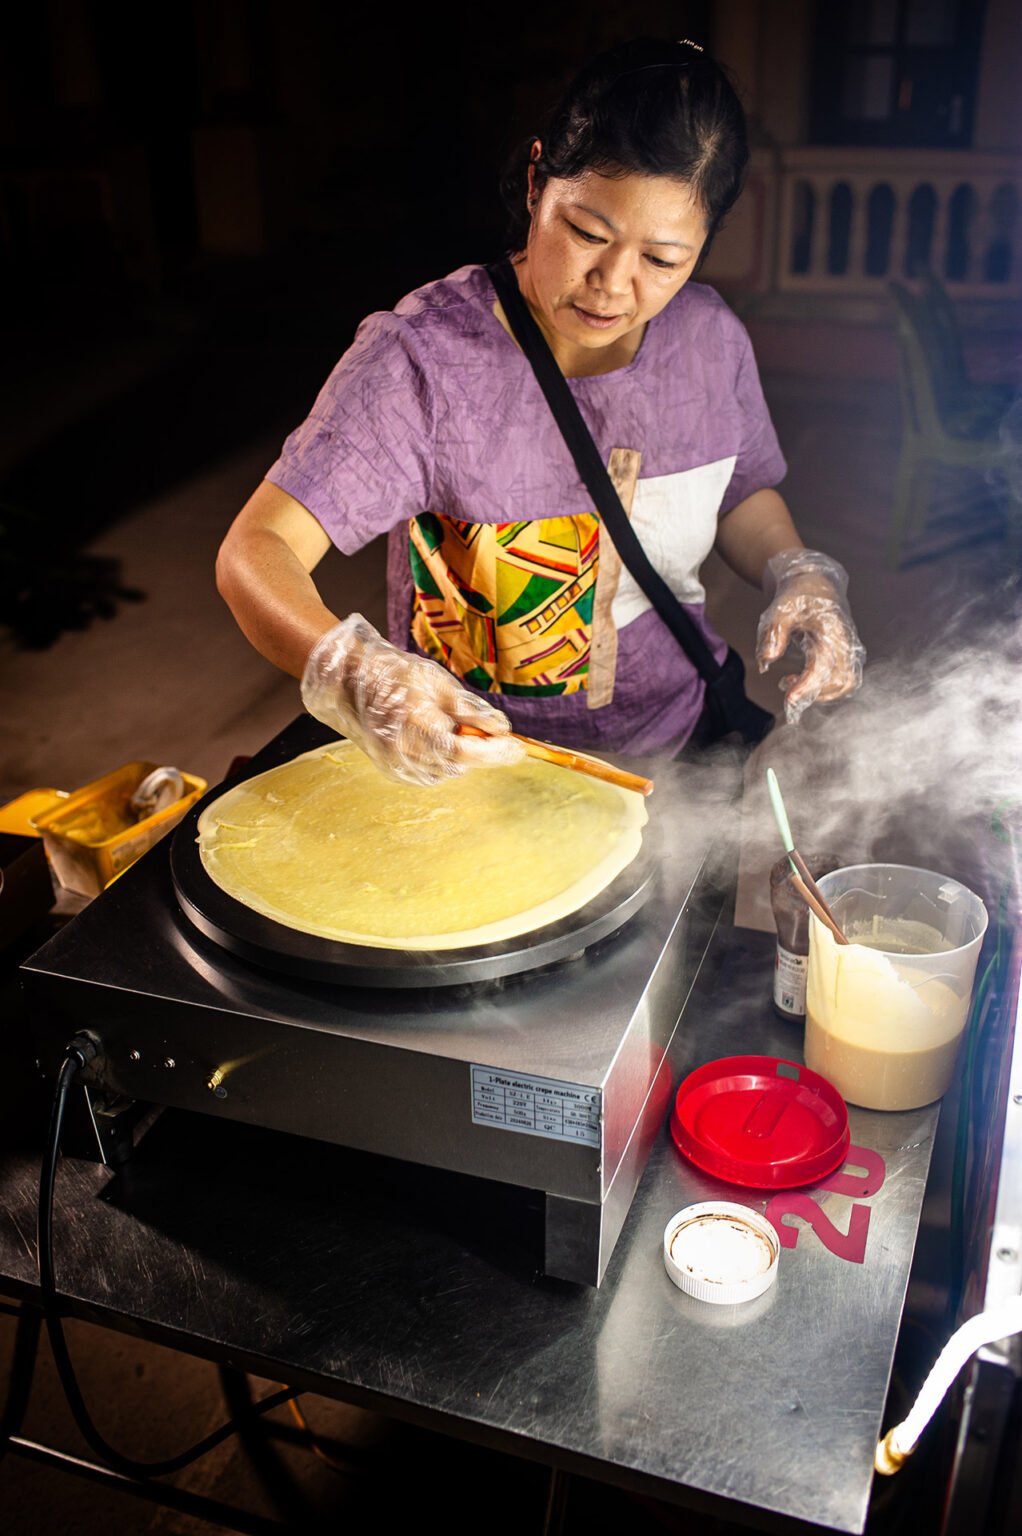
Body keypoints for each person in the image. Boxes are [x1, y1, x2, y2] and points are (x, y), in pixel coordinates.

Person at [216, 37, 864, 786]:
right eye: (587, 232)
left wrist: (799, 571)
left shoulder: (711, 342)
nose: (612, 285)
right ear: (535, 183)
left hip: (679, 748)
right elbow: (254, 551)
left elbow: (741, 493)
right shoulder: (424, 362)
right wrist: (360, 674)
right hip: (480, 773)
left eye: (661, 260)